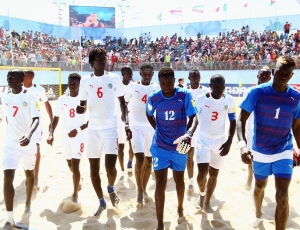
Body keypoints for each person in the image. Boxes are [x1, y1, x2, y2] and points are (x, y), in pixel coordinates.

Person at [237, 55, 300, 229]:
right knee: (259, 187)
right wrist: (242, 145)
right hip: (261, 150)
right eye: (280, 72)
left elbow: (296, 126)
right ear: (273, 71)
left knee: (282, 194)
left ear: (292, 76)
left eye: (288, 73)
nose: (283, 76)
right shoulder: (257, 92)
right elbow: (241, 119)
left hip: (284, 151)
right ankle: (258, 214)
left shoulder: (296, 97)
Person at [76, 47, 130, 216]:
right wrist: (80, 108)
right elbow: (82, 104)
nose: (103, 60)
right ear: (91, 62)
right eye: (99, 59)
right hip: (92, 129)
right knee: (93, 167)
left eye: (104, 58)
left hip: (110, 128)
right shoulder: (85, 81)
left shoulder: (114, 79)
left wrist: (126, 121)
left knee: (110, 167)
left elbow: (122, 102)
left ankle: (111, 188)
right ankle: (101, 201)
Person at [146, 67, 198, 230]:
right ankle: (160, 224)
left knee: (178, 180)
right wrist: (157, 128)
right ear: (159, 83)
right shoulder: (154, 98)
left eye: (169, 82)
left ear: (174, 81)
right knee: (160, 183)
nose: (166, 86)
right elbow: (148, 114)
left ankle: (180, 207)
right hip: (159, 146)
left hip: (180, 146)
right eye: (163, 83)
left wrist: (188, 134)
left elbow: (194, 117)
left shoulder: (184, 95)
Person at [1, 70, 40, 230]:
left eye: (13, 77)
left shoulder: (30, 96)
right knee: (7, 178)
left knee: (29, 174)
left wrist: (29, 135)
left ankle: (28, 202)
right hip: (11, 143)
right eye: (8, 77)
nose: (9, 79)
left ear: (21, 80)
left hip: (28, 143)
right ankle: (9, 219)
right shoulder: (4, 95)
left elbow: (36, 118)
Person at [195, 74, 236, 213]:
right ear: (210, 86)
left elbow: (233, 121)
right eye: (216, 86)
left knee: (214, 174)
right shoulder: (201, 99)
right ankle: (201, 194)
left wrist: (229, 141)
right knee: (202, 173)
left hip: (220, 141)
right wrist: (189, 133)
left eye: (222, 86)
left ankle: (207, 202)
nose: (220, 89)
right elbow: (195, 119)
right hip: (203, 140)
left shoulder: (229, 100)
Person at [46, 73, 88, 203]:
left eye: (74, 83)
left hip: (79, 135)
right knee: (69, 164)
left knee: (75, 165)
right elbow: (56, 117)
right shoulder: (62, 99)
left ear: (79, 84)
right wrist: (51, 133)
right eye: (70, 82)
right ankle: (78, 179)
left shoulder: (85, 99)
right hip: (66, 135)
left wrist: (78, 130)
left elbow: (91, 120)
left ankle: (75, 194)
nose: (72, 85)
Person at [125, 63, 160, 207]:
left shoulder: (157, 88)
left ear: (152, 74)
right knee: (139, 159)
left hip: (152, 128)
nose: (146, 76)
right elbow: (124, 104)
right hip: (136, 127)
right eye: (144, 73)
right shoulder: (133, 87)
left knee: (149, 161)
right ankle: (139, 192)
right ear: (139, 73)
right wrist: (127, 124)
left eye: (149, 74)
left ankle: (144, 189)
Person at [242, 66, 271, 191]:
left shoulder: (272, 93)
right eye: (262, 74)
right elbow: (243, 115)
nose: (264, 77)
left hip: (267, 132)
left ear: (270, 78)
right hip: (251, 131)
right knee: (250, 157)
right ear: (257, 75)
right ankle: (249, 177)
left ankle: (262, 183)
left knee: (265, 159)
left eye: (267, 75)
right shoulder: (249, 91)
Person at [23, 70, 53, 190]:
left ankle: (36, 179)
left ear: (31, 77)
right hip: (22, 124)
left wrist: (51, 121)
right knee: (24, 149)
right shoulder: (18, 88)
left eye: (26, 75)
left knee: (36, 148)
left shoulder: (39, 89)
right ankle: (28, 174)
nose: (24, 77)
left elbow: (46, 104)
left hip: (36, 123)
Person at [186, 69, 209, 194]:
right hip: (189, 128)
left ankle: (203, 181)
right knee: (189, 156)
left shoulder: (205, 91)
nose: (196, 78)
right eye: (193, 76)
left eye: (198, 76)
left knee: (204, 158)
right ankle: (190, 182)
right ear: (189, 78)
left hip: (203, 129)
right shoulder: (186, 91)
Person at [117, 66, 134, 179]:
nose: (130, 74)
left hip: (132, 118)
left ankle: (130, 162)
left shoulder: (134, 86)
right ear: (122, 74)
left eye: (131, 72)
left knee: (132, 145)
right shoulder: (117, 86)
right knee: (120, 146)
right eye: (127, 73)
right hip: (119, 119)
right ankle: (122, 170)